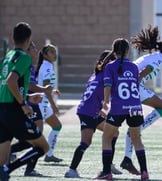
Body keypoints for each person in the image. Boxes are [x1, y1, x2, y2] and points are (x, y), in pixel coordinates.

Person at [120, 25, 162, 174]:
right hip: (133, 88)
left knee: (128, 130)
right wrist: (130, 92)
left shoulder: (155, 57)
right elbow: (138, 75)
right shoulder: (157, 60)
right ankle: (135, 136)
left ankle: (126, 158)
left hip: (129, 87)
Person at [0, 22, 49, 181]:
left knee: (1, 160)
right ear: (28, 39)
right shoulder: (24, 58)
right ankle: (9, 169)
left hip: (2, 110)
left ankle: (4, 170)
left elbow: (5, 85)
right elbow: (10, 81)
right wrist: (23, 104)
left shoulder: (6, 57)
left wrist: (27, 97)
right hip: (14, 111)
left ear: (13, 38)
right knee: (43, 146)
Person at [95, 38, 149, 180]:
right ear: (127, 50)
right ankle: (144, 172)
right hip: (135, 107)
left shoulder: (110, 66)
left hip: (119, 107)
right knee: (136, 139)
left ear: (114, 51)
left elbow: (107, 86)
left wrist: (105, 103)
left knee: (106, 137)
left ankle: (106, 172)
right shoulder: (133, 67)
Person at [64, 50, 122, 178]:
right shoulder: (106, 75)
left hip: (94, 111)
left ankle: (109, 165)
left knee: (114, 133)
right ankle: (71, 170)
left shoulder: (95, 74)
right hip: (88, 112)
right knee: (86, 142)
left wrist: (102, 109)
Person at [9, 41, 53, 177]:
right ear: (27, 51)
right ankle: (23, 164)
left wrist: (30, 97)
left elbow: (26, 86)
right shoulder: (24, 64)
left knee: (35, 138)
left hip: (29, 103)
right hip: (25, 106)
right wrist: (43, 90)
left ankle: (15, 156)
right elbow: (29, 85)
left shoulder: (31, 66)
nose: (35, 50)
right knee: (37, 140)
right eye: (32, 48)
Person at [36, 44, 63, 162]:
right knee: (35, 134)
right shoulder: (47, 66)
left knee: (57, 126)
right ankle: (13, 152)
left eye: (55, 52)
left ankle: (49, 155)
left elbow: (45, 86)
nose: (54, 54)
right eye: (51, 52)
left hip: (43, 104)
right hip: (40, 105)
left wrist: (53, 91)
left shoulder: (47, 65)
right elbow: (45, 88)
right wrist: (53, 104)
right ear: (45, 55)